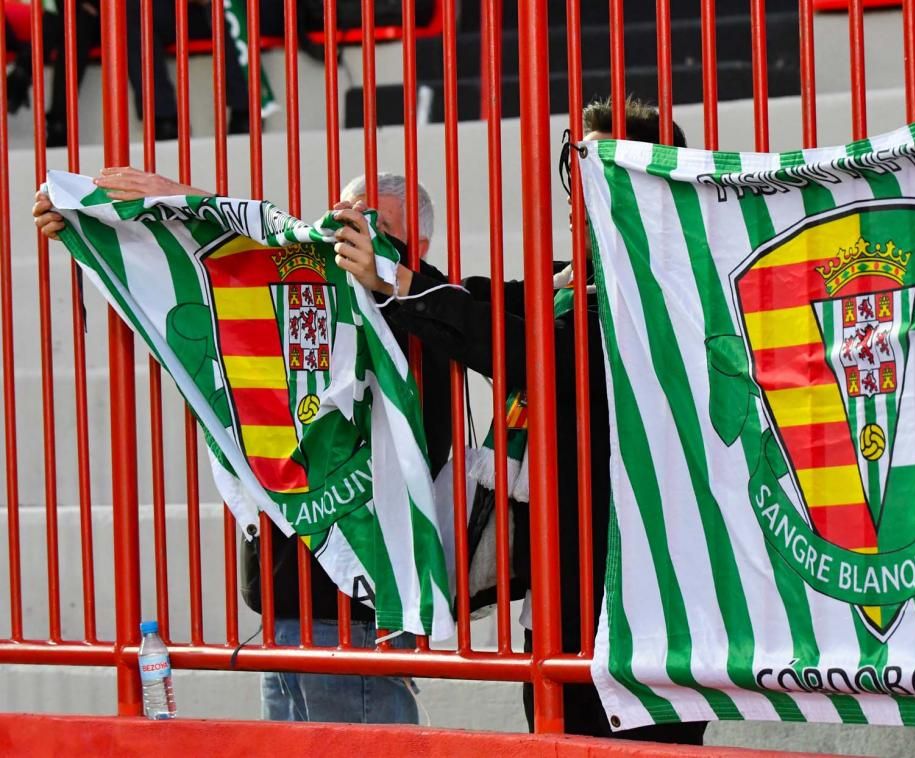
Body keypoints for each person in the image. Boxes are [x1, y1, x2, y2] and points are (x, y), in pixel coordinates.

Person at [331, 97, 707, 744]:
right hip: (564, 607)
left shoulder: (668, 289)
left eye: (587, 166)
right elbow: (490, 302)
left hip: (648, 613)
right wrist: (388, 260)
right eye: (573, 164)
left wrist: (398, 280)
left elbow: (538, 350)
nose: (571, 188)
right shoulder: (584, 281)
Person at [32, 168, 453, 725]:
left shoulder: (426, 302)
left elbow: (425, 440)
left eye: (377, 224)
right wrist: (95, 227)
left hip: (358, 602)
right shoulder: (302, 284)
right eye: (345, 215)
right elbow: (225, 268)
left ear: (418, 246)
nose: (354, 232)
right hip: (282, 595)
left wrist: (193, 201)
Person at [125, 0, 251, 139]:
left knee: (231, 6)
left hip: (216, 10)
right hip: (170, 12)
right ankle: (163, 118)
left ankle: (245, 109)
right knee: (134, 10)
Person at [4, 0, 102, 147]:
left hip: (102, 18)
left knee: (75, 23)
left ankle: (20, 75)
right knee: (62, 19)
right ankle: (59, 124)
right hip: (71, 15)